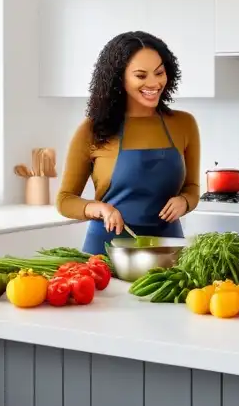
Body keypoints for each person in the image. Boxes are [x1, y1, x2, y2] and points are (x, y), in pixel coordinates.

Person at [56, 31, 200, 254]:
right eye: (141, 76)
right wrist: (100, 209)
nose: (154, 83)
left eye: (159, 73)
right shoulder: (93, 129)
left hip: (168, 248)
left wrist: (184, 202)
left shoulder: (184, 124)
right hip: (107, 249)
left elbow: (192, 188)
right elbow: (65, 200)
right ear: (119, 79)